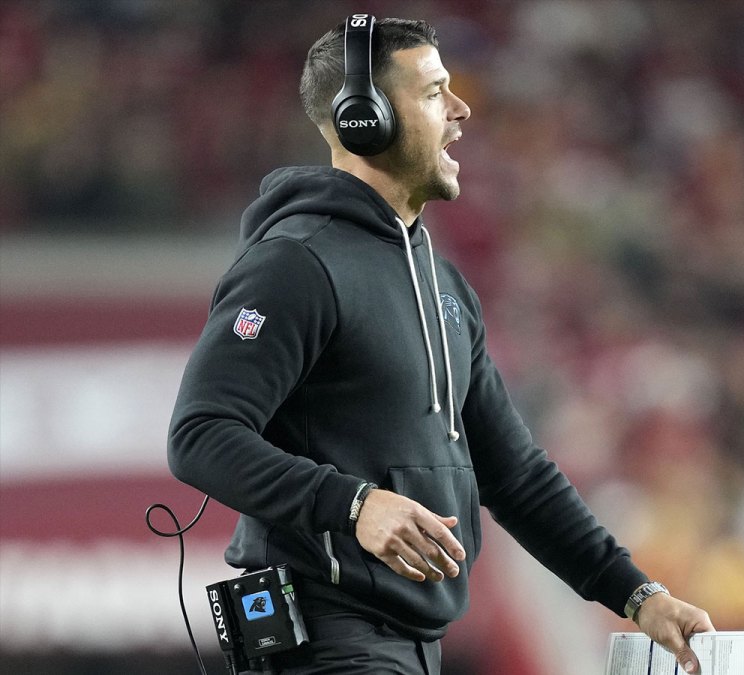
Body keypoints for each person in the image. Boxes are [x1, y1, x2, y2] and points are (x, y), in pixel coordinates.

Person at [168, 14, 714, 675]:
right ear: (364, 118)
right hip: (322, 639)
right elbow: (200, 431)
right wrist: (354, 502)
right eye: (433, 92)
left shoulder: (443, 281)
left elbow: (515, 476)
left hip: (409, 645)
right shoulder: (294, 265)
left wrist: (637, 594)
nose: (461, 110)